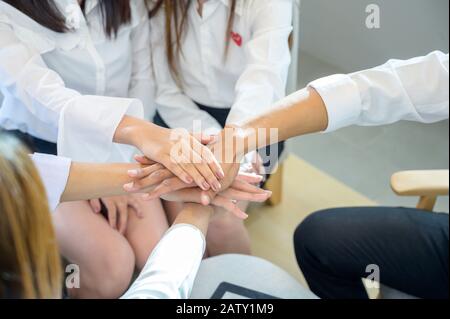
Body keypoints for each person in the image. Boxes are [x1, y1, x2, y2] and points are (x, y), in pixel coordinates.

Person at [140, 51, 449, 298]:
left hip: (235, 126)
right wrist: (236, 139)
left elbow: (264, 76)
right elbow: (379, 88)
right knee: (316, 236)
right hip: (208, 128)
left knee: (219, 227)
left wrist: (201, 199)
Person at [0, 0, 224, 298]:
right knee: (112, 267)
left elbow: (143, 79)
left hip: (124, 142)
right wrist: (120, 147)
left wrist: (119, 153)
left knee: (154, 249)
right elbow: (44, 98)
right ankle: (68, 283)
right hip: (42, 151)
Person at [0, 132, 270, 299]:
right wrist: (198, 209)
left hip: (117, 152)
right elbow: (157, 291)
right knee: (112, 270)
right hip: (55, 146)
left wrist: (157, 178)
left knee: (151, 249)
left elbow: (43, 178)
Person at [148, 0, 294, 256]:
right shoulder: (160, 6)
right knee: (185, 206)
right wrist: (212, 143)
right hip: (183, 113)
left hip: (255, 119)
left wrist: (234, 146)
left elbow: (263, 81)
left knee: (221, 220)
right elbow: (165, 89)